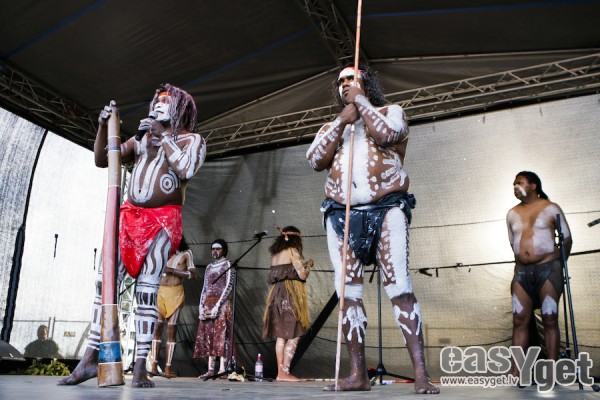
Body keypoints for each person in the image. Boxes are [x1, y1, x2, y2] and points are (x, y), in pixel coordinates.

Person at [58, 84, 206, 388]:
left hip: (162, 221)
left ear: (180, 108)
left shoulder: (192, 140)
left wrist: (164, 136)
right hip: (128, 217)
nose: (159, 104)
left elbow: (187, 169)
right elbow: (104, 159)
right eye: (157, 100)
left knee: (147, 289)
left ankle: (140, 366)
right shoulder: (141, 139)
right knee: (105, 283)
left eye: (166, 100)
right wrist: (103, 127)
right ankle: (90, 357)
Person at [306, 65, 439, 394]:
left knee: (400, 288)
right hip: (341, 214)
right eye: (341, 81)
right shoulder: (334, 126)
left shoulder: (391, 111)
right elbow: (315, 160)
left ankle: (421, 374)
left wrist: (362, 103)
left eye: (351, 78)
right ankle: (357, 374)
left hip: (386, 209)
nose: (345, 84)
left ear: (366, 83)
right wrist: (341, 121)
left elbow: (388, 135)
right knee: (348, 295)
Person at [507, 171, 572, 378]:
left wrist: (556, 262)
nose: (515, 187)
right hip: (522, 272)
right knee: (519, 320)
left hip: (548, 268)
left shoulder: (551, 208)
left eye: (520, 183)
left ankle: (552, 371)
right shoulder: (512, 213)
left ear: (533, 185)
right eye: (514, 184)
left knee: (549, 317)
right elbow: (512, 242)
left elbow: (567, 239)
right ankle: (516, 372)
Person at [262, 226, 313, 382]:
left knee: (281, 335)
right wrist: (308, 266)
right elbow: (302, 275)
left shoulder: (276, 255)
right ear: (295, 239)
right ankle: (284, 372)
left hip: (276, 294)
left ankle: (281, 373)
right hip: (289, 294)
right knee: (294, 333)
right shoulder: (292, 251)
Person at [150, 239, 196, 378]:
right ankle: (153, 365)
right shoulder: (163, 252)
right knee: (157, 327)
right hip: (160, 291)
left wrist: (172, 271)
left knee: (171, 328)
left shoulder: (186, 253)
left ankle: (168, 367)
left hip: (175, 293)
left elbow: (192, 274)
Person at [194, 239, 235, 378]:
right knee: (209, 335)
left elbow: (228, 286)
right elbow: (205, 288)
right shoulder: (209, 267)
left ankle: (222, 369)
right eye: (213, 249)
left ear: (224, 250)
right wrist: (201, 307)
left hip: (222, 304)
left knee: (221, 334)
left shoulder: (228, 264)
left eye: (218, 249)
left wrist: (218, 305)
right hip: (208, 303)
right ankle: (210, 369)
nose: (215, 251)